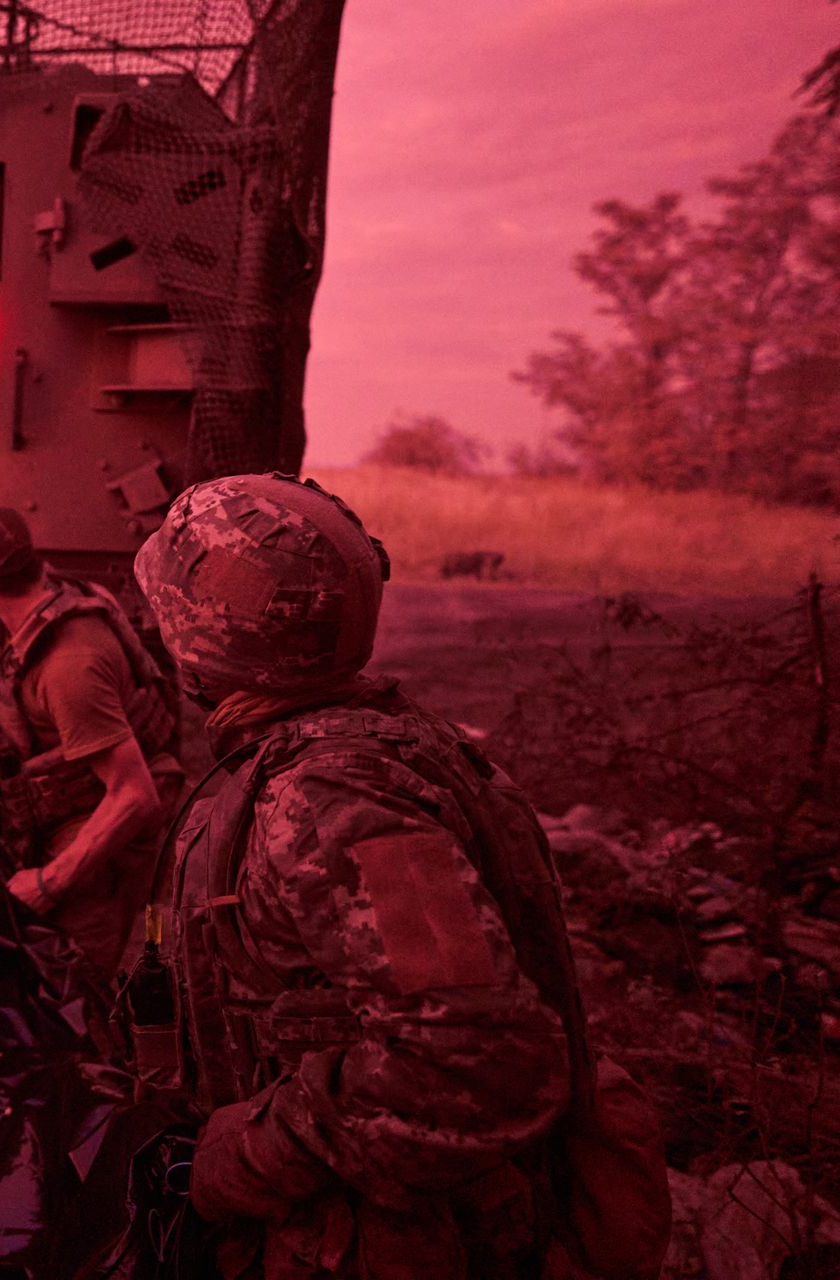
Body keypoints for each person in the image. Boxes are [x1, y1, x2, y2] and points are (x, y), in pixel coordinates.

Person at [130, 472, 648, 1278]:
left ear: (202, 640)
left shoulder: (337, 802)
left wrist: (244, 1156)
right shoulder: (350, 753)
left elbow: (475, 1060)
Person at [0, 500, 181, 979]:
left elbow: (135, 795)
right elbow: (5, 677)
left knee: (72, 987)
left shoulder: (70, 667)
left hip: (94, 838)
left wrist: (49, 883)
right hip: (52, 815)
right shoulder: (39, 604)